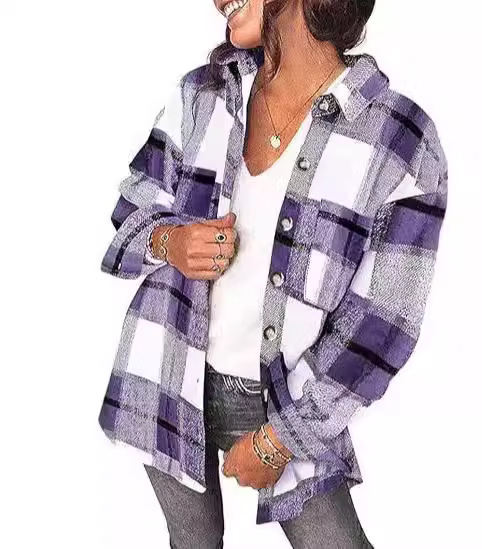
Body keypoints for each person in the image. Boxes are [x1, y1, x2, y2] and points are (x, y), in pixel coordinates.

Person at [97, 0, 448, 547]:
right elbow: (130, 214)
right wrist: (171, 242)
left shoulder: (399, 139)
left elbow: (381, 328)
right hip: (165, 373)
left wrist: (279, 441)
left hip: (284, 406)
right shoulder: (202, 96)